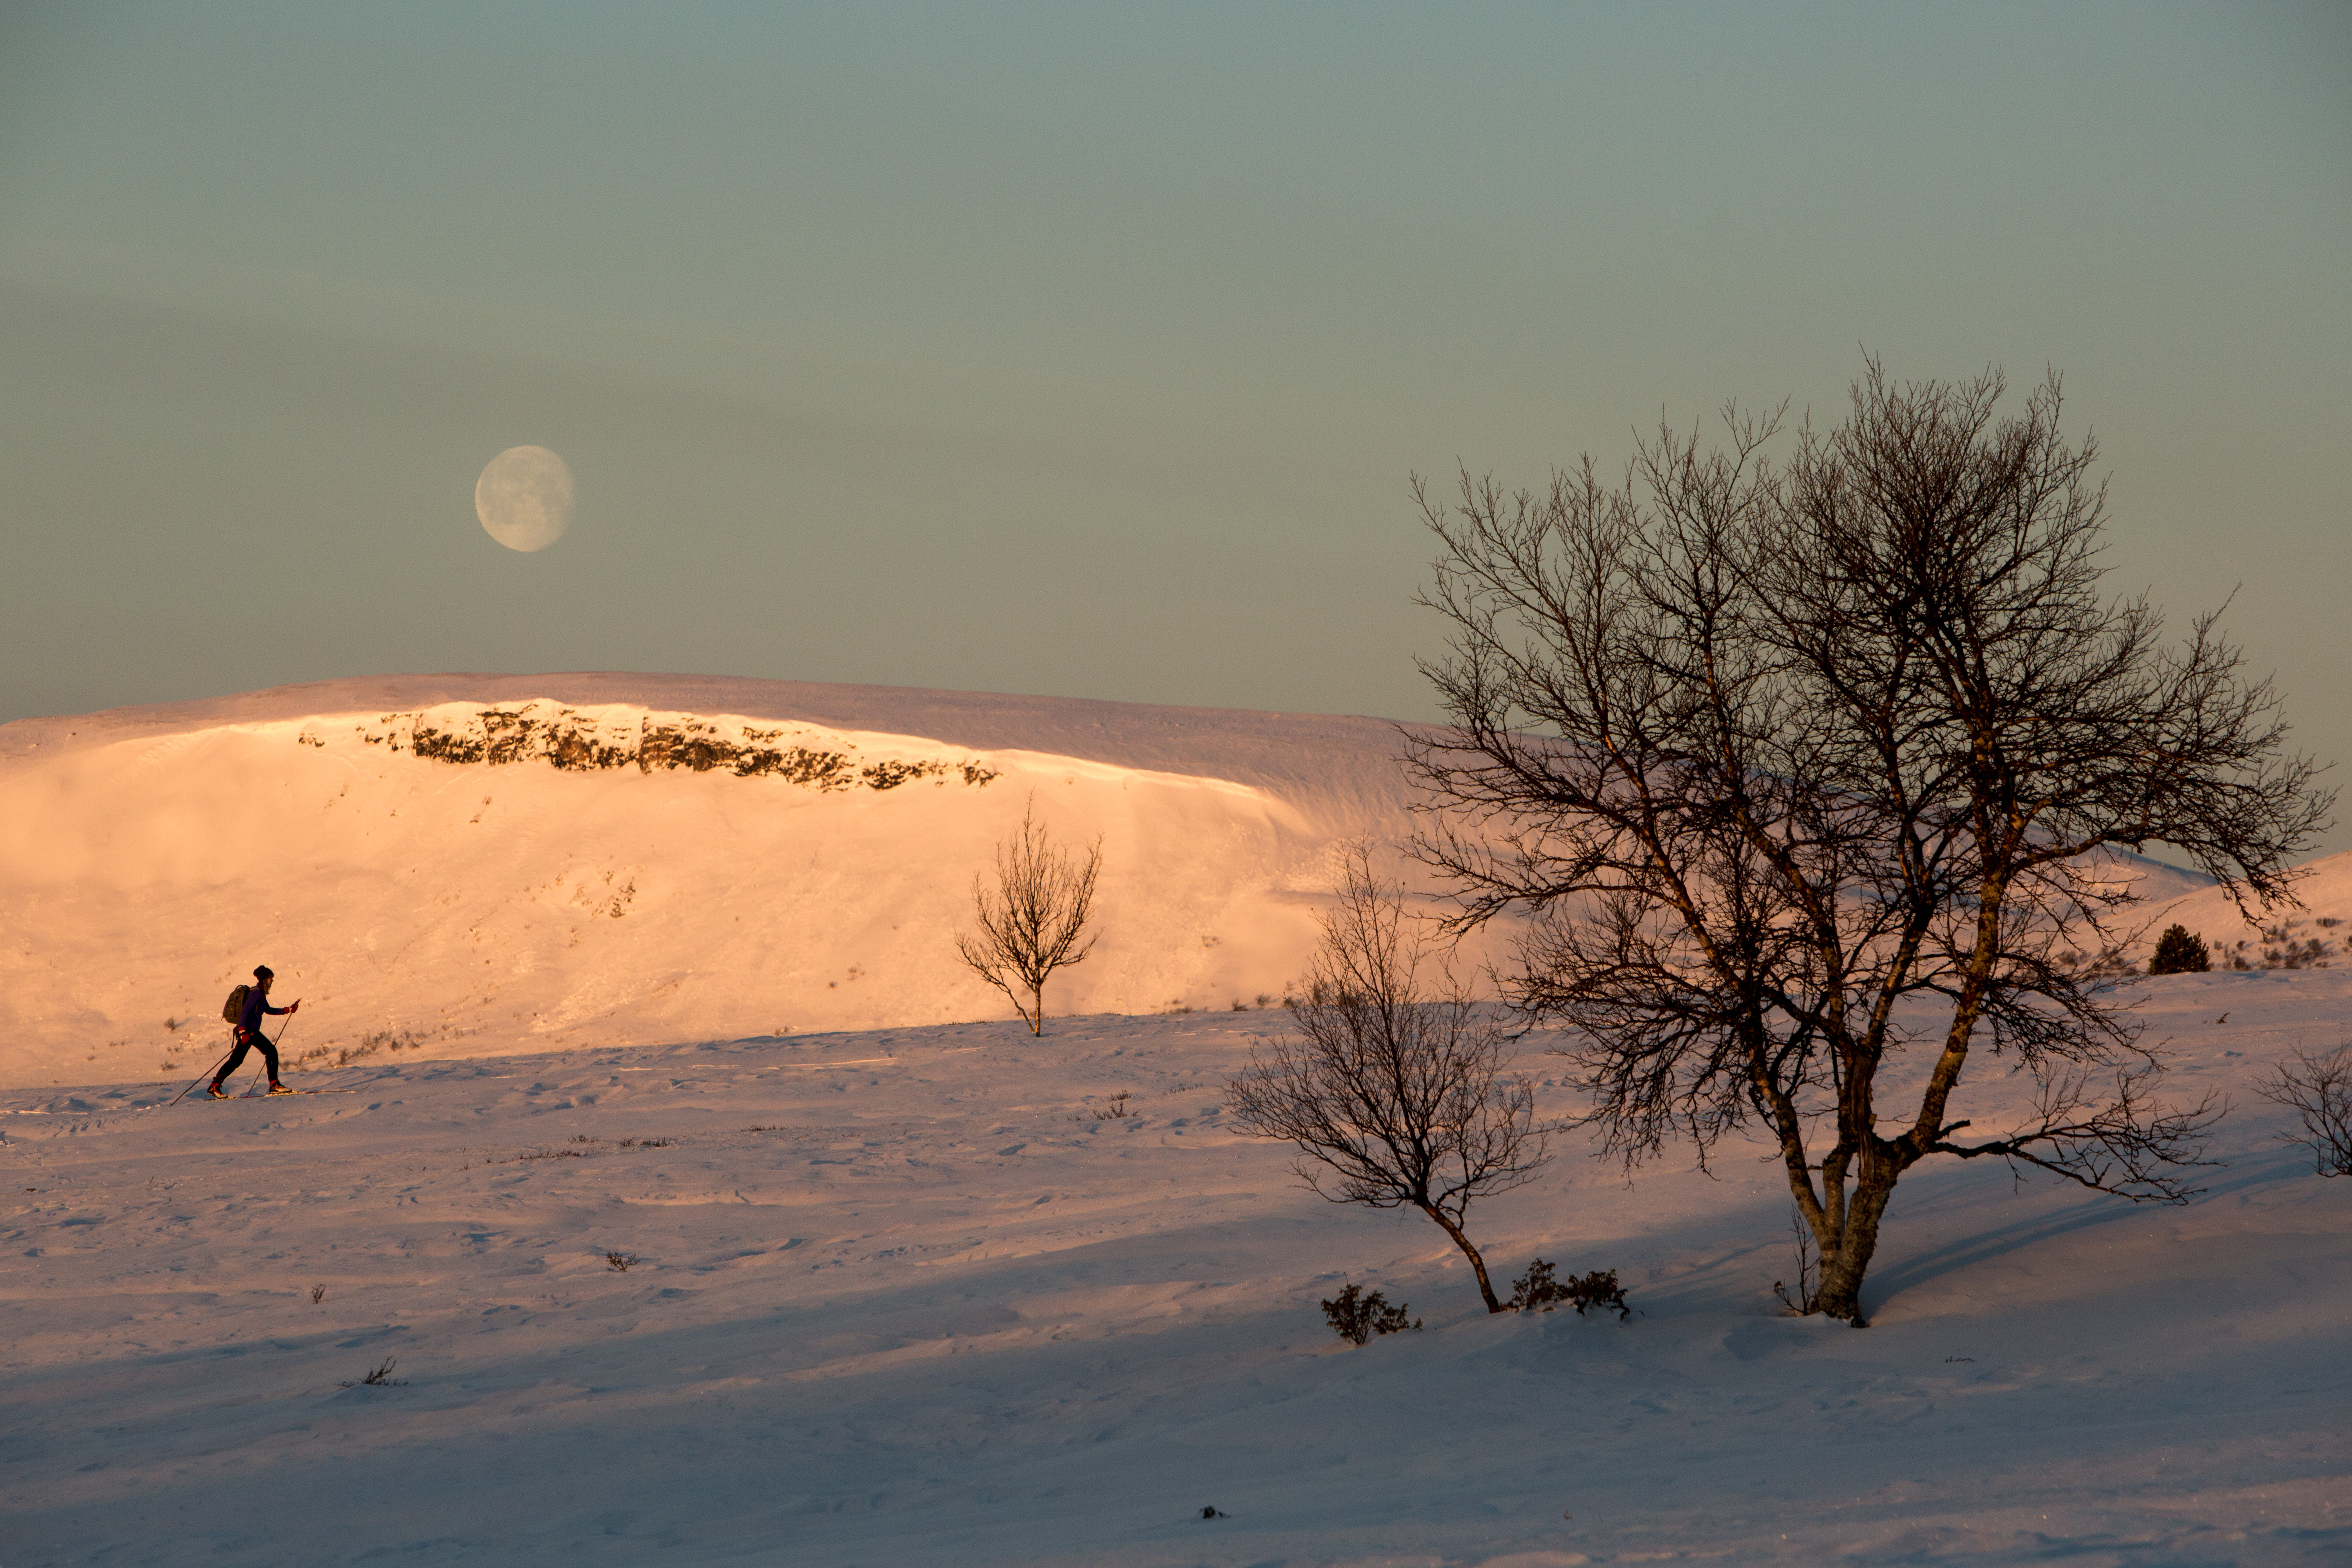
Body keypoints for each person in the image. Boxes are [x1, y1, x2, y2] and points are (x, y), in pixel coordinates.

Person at [209, 965, 301, 1098]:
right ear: (264, 980)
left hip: (248, 1032)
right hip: (249, 1031)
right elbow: (245, 1012)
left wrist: (288, 1009)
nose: (272, 982)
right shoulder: (256, 993)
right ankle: (274, 1085)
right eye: (270, 979)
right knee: (271, 1051)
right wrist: (243, 1032)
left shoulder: (261, 994)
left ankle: (215, 1086)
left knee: (236, 1061)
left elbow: (268, 1010)